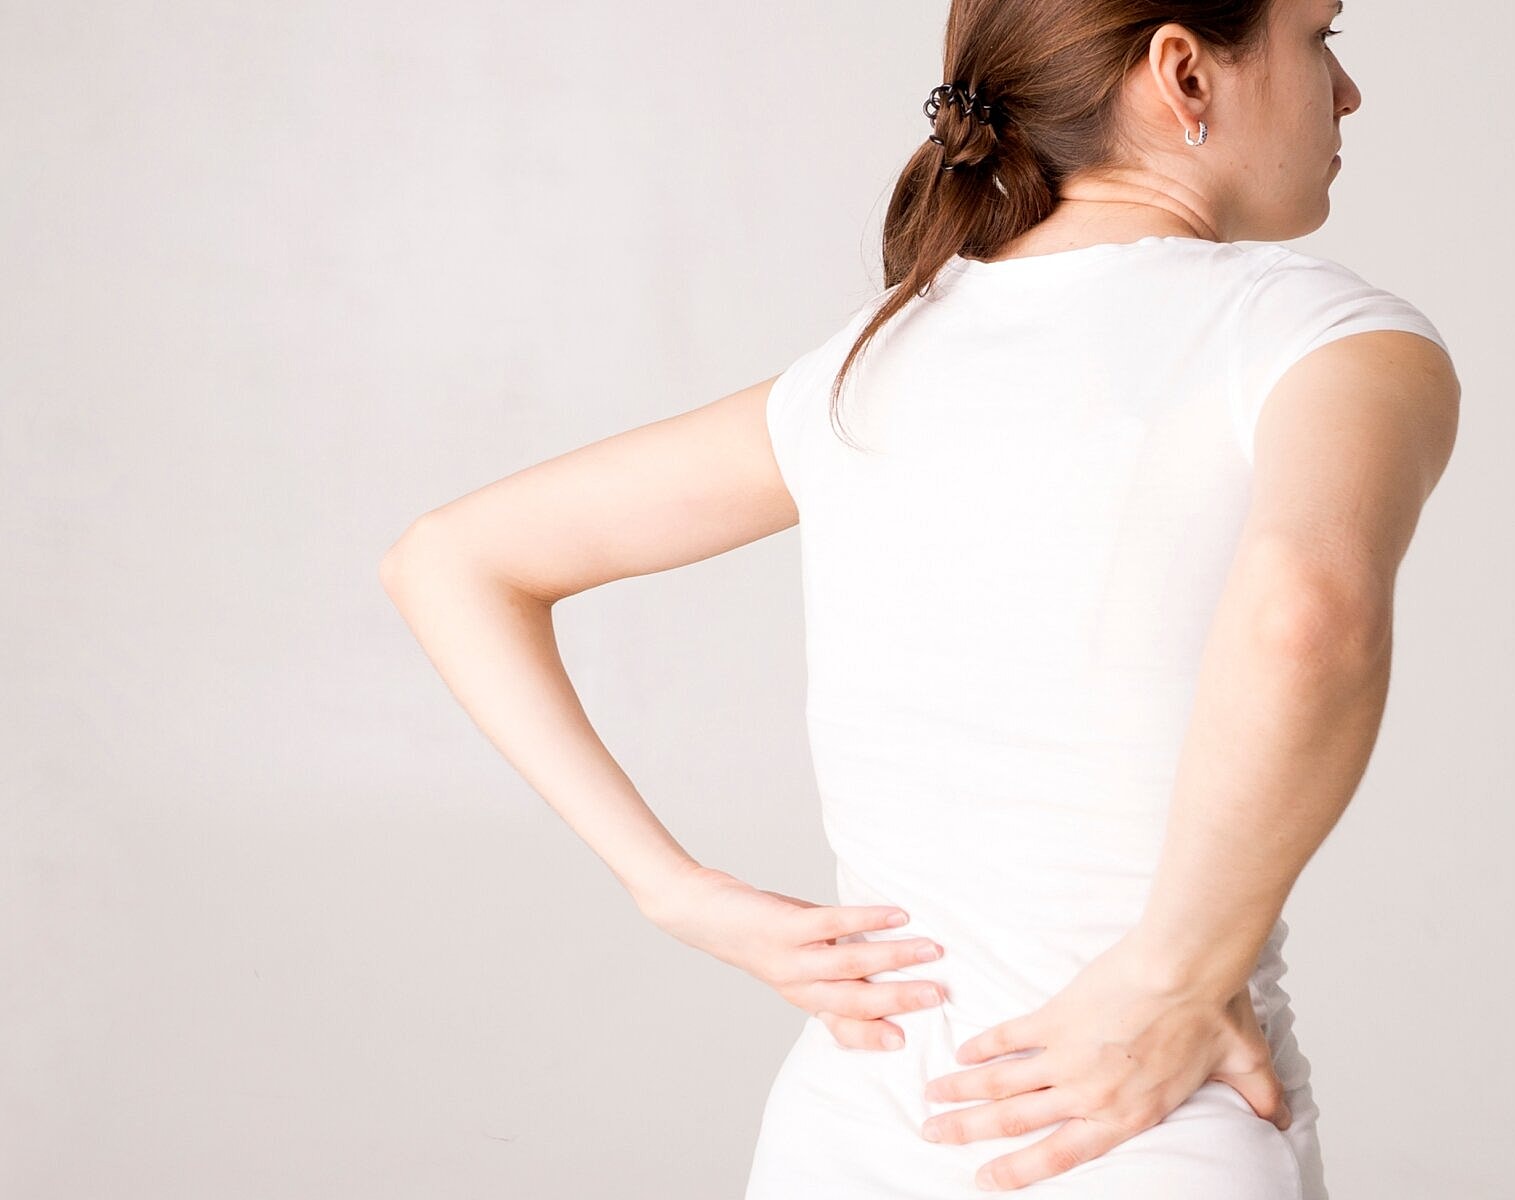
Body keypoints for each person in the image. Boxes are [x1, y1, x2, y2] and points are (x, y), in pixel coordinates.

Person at [379, 0, 1458, 1195]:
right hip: (1135, 1126)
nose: (1346, 94)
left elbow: (447, 556)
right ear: (1182, 72)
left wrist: (675, 891)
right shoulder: (1320, 337)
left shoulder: (859, 368)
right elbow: (1306, 612)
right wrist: (1173, 978)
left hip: (849, 1130)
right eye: (1321, 40)